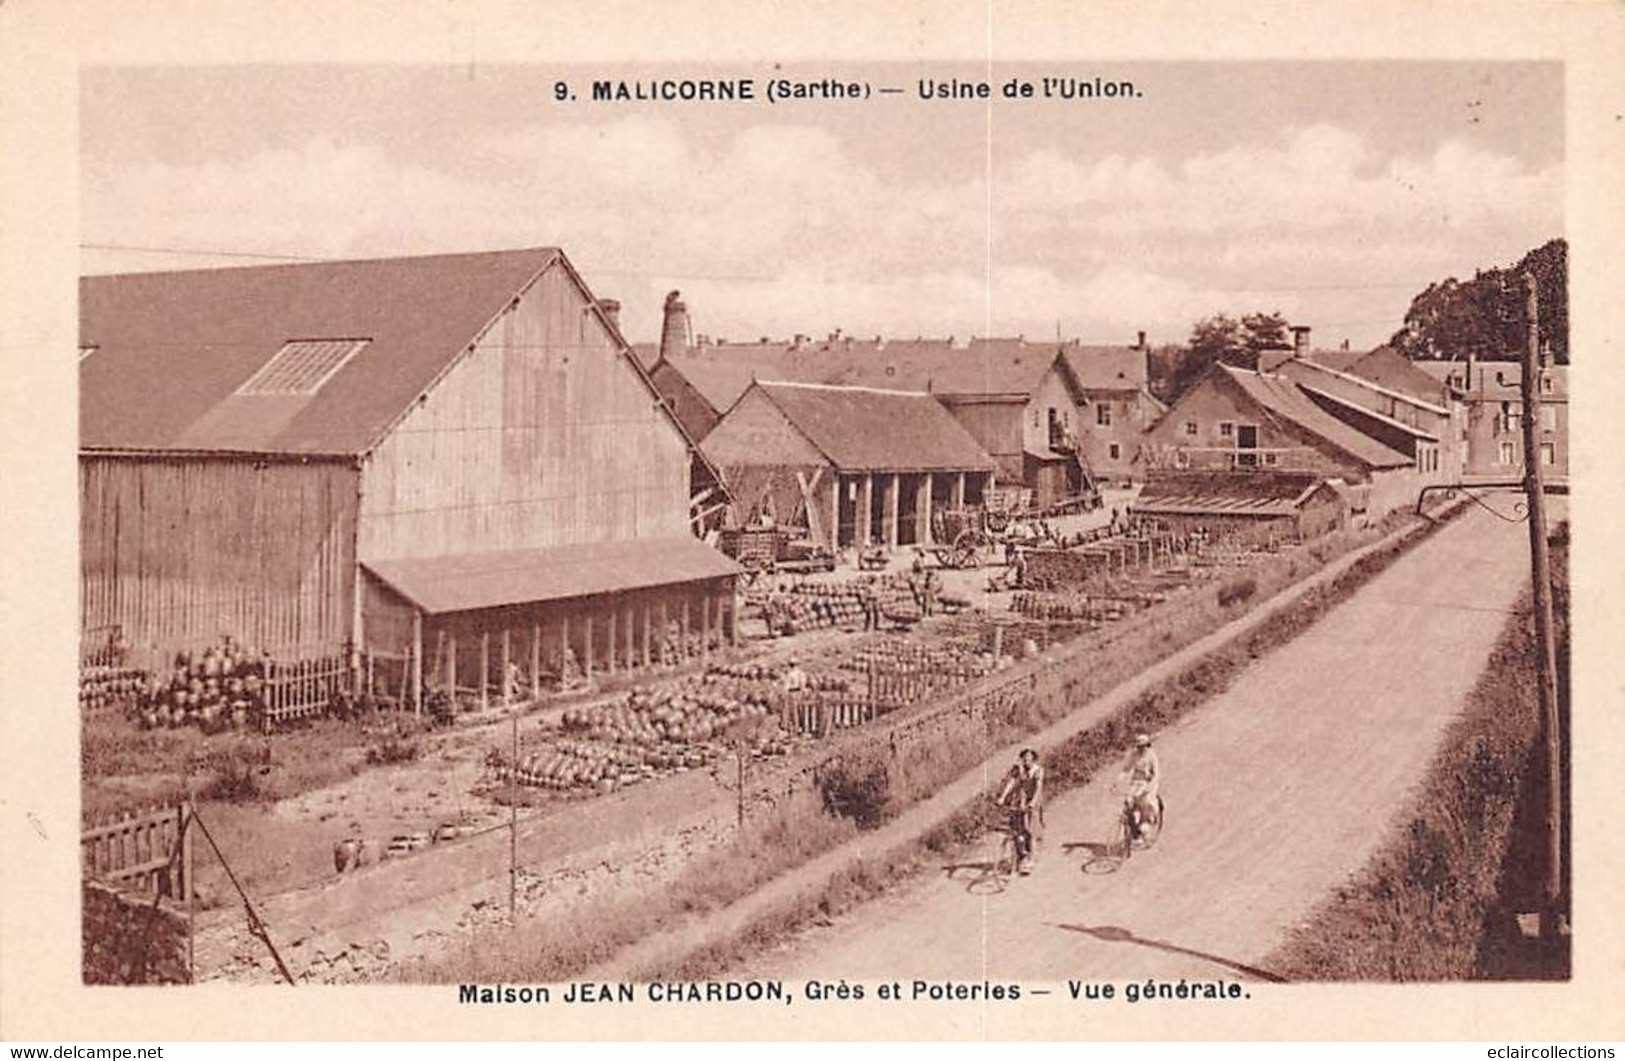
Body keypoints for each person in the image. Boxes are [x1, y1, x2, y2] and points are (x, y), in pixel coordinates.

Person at [996, 748, 1045, 874]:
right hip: (1021, 801)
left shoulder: (1038, 770)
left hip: (1033, 802)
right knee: (1017, 831)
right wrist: (1002, 797)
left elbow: (1039, 788)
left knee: (1030, 831)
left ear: (1033, 759)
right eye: (1024, 759)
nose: (1026, 761)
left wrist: (1033, 803)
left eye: (1029, 759)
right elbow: (1011, 783)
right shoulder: (1019, 769)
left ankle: (1031, 860)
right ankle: (1020, 858)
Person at [1121, 732, 1161, 841]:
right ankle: (1132, 827)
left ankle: (1148, 821)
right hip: (1136, 782)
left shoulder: (1152, 756)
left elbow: (1156, 774)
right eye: (1139, 746)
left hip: (1147, 783)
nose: (1141, 749)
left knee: (1146, 803)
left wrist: (1150, 785)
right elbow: (1126, 769)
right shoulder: (1134, 755)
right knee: (1128, 802)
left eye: (1143, 746)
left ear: (1147, 745)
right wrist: (1117, 781)